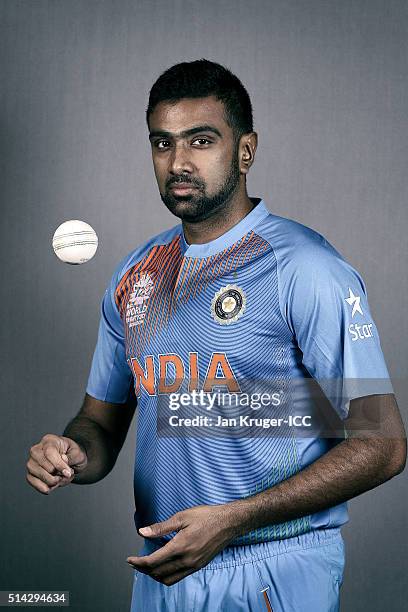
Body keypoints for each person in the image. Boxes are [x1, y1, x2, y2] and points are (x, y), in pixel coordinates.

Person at [26, 59, 406, 612]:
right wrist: (72, 453)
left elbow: (383, 444)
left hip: (274, 565)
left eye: (200, 141)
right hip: (166, 568)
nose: (178, 162)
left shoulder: (304, 269)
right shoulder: (136, 276)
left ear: (245, 150)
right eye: (162, 143)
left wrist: (234, 519)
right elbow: (99, 424)